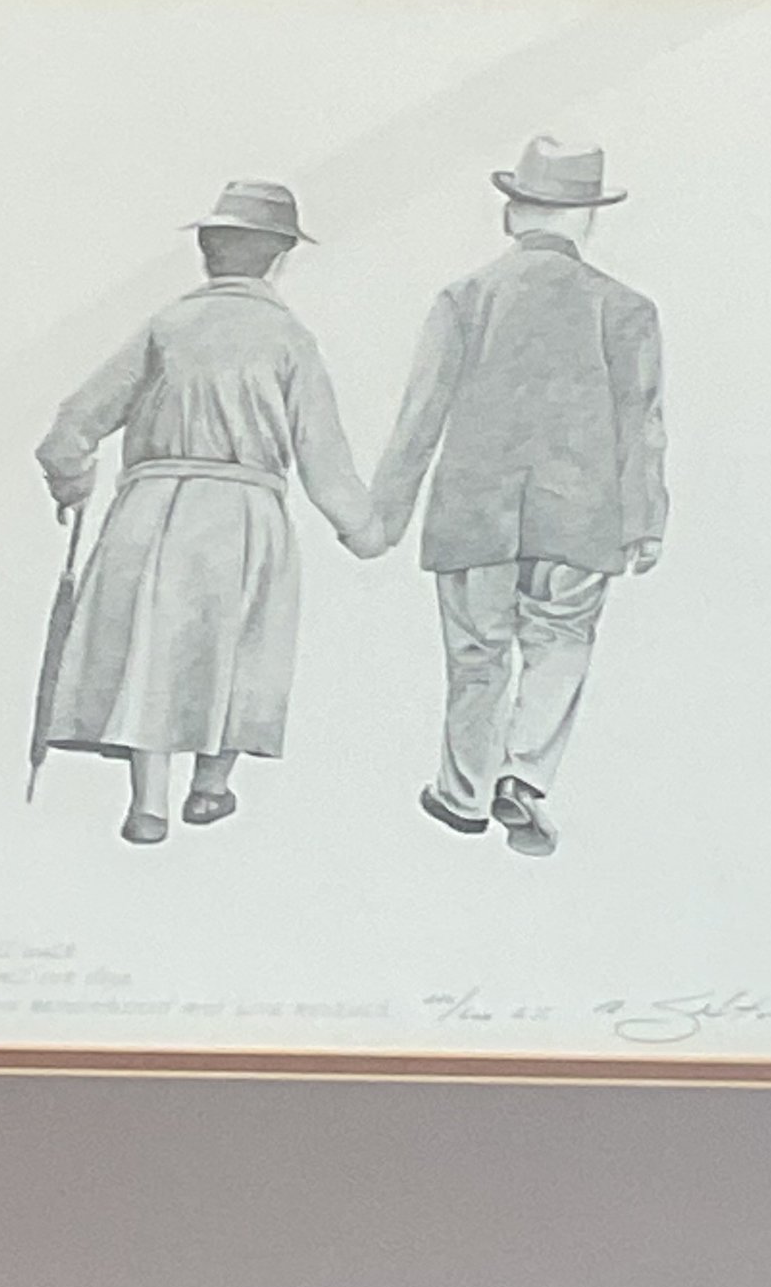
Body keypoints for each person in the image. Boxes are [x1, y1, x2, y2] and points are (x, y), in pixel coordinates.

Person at [36, 180, 385, 844]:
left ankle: (148, 805)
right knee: (239, 647)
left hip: (150, 509)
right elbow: (322, 455)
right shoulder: (289, 338)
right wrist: (363, 529)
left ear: (207, 249)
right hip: (243, 513)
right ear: (280, 254)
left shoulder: (168, 326)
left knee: (153, 652)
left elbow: (74, 424)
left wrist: (71, 482)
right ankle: (211, 786)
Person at [371, 136, 667, 858]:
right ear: (587, 217)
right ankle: (525, 775)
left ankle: (462, 794)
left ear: (513, 213)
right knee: (560, 641)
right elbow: (642, 423)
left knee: (476, 656)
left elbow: (419, 417)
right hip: (581, 514)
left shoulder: (464, 298)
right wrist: (645, 520)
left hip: (475, 512)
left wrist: (386, 514)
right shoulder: (627, 308)